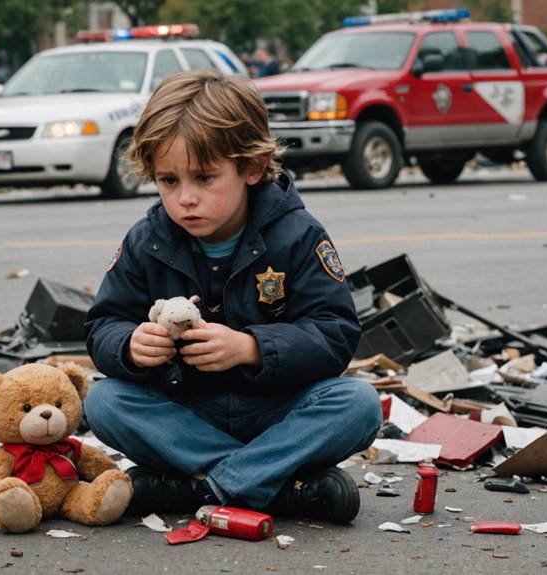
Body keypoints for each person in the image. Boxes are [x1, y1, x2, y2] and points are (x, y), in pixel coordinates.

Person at [83, 69, 382, 523]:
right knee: (103, 401)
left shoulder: (298, 236)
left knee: (358, 405)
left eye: (204, 178)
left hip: (277, 410)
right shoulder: (147, 240)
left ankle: (197, 486)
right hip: (185, 412)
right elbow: (104, 323)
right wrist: (129, 346)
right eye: (169, 181)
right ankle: (277, 487)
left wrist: (251, 348)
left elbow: (336, 334)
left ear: (252, 168)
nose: (185, 199)